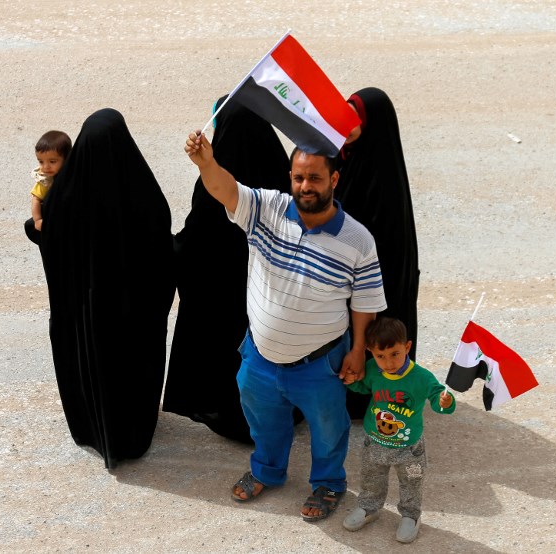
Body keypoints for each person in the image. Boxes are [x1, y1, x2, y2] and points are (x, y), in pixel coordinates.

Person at [184, 129, 387, 522]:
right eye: (298, 177)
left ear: (334, 179)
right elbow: (225, 189)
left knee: (329, 429)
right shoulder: (267, 208)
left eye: (315, 178)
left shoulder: (358, 240)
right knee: (263, 422)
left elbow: (365, 303)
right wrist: (206, 163)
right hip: (259, 357)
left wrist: (358, 350)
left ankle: (329, 484)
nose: (305, 186)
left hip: (320, 364)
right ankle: (267, 471)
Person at [39, 108, 175, 469]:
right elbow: (162, 247)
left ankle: (95, 429)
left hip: (86, 315)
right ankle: (131, 435)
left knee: (92, 364)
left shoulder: (64, 195)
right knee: (131, 368)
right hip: (132, 314)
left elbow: (48, 239)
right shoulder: (142, 192)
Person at [162, 96, 291, 444]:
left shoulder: (216, 186)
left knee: (229, 355)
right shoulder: (280, 174)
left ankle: (236, 419)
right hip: (271, 302)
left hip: (224, 300)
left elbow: (194, 243)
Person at [336, 87, 420, 419]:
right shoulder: (345, 157)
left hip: (381, 279)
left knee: (381, 338)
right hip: (349, 275)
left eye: (354, 119)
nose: (347, 125)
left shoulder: (383, 174)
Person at [341, 317, 454, 543]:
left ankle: (411, 515)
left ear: (407, 347)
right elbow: (363, 386)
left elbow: (437, 397)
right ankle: (369, 507)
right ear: (370, 351)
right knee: (371, 478)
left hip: (409, 448)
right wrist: (352, 381)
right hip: (375, 441)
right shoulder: (373, 369)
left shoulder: (421, 377)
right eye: (380, 356)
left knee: (412, 482)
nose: (389, 362)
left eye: (395, 354)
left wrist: (445, 401)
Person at [24, 130, 72, 245]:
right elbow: (36, 199)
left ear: (66, 158)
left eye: (52, 161)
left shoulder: (72, 175)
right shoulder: (45, 180)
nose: (46, 167)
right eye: (41, 162)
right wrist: (37, 220)